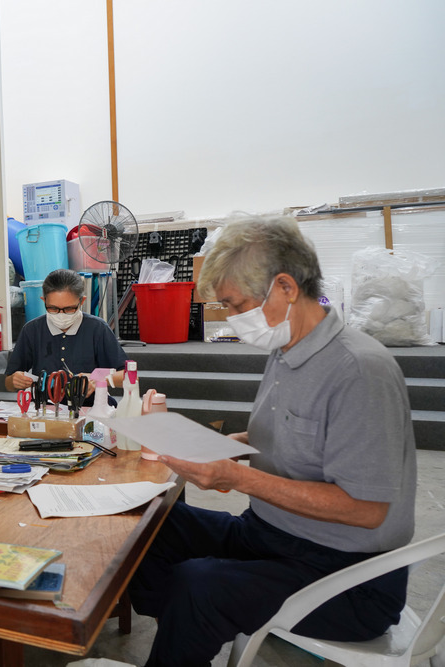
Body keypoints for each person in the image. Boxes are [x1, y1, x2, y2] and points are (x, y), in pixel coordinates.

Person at [127, 215, 417, 667]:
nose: (232, 318)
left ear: (285, 287)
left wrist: (236, 477)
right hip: (272, 534)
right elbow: (296, 437)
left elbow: (366, 509)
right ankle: (186, 626)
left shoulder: (359, 371)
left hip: (347, 574)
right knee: (148, 525)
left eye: (236, 304)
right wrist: (220, 444)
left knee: (198, 585)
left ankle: (191, 622)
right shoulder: (287, 351)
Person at [5, 268, 127, 398]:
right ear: (44, 301)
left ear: (81, 301)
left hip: (89, 405)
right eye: (53, 308)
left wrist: (98, 379)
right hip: (46, 406)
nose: (61, 315)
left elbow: (129, 377)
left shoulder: (97, 329)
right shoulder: (32, 330)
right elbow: (8, 383)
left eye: (69, 309)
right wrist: (15, 380)